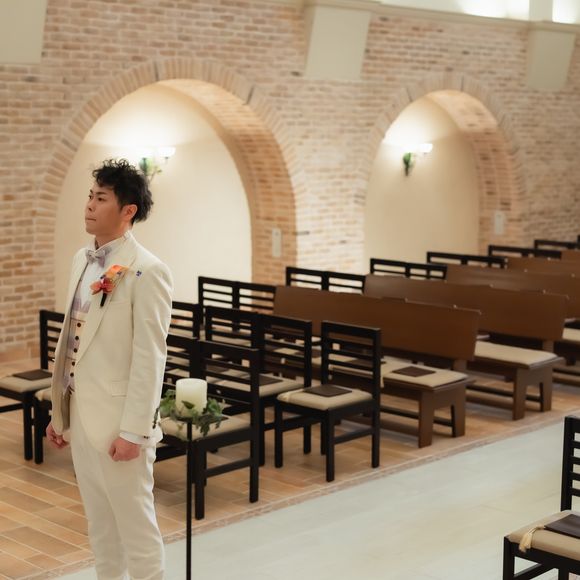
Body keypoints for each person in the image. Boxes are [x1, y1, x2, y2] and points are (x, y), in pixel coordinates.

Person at [46, 158, 173, 580]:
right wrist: (60, 413)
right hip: (82, 417)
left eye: (101, 198)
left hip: (120, 424)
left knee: (136, 530)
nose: (89, 205)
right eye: (90, 196)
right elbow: (71, 343)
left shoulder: (148, 270)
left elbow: (150, 357)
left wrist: (134, 432)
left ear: (128, 210)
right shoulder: (81, 260)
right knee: (100, 528)